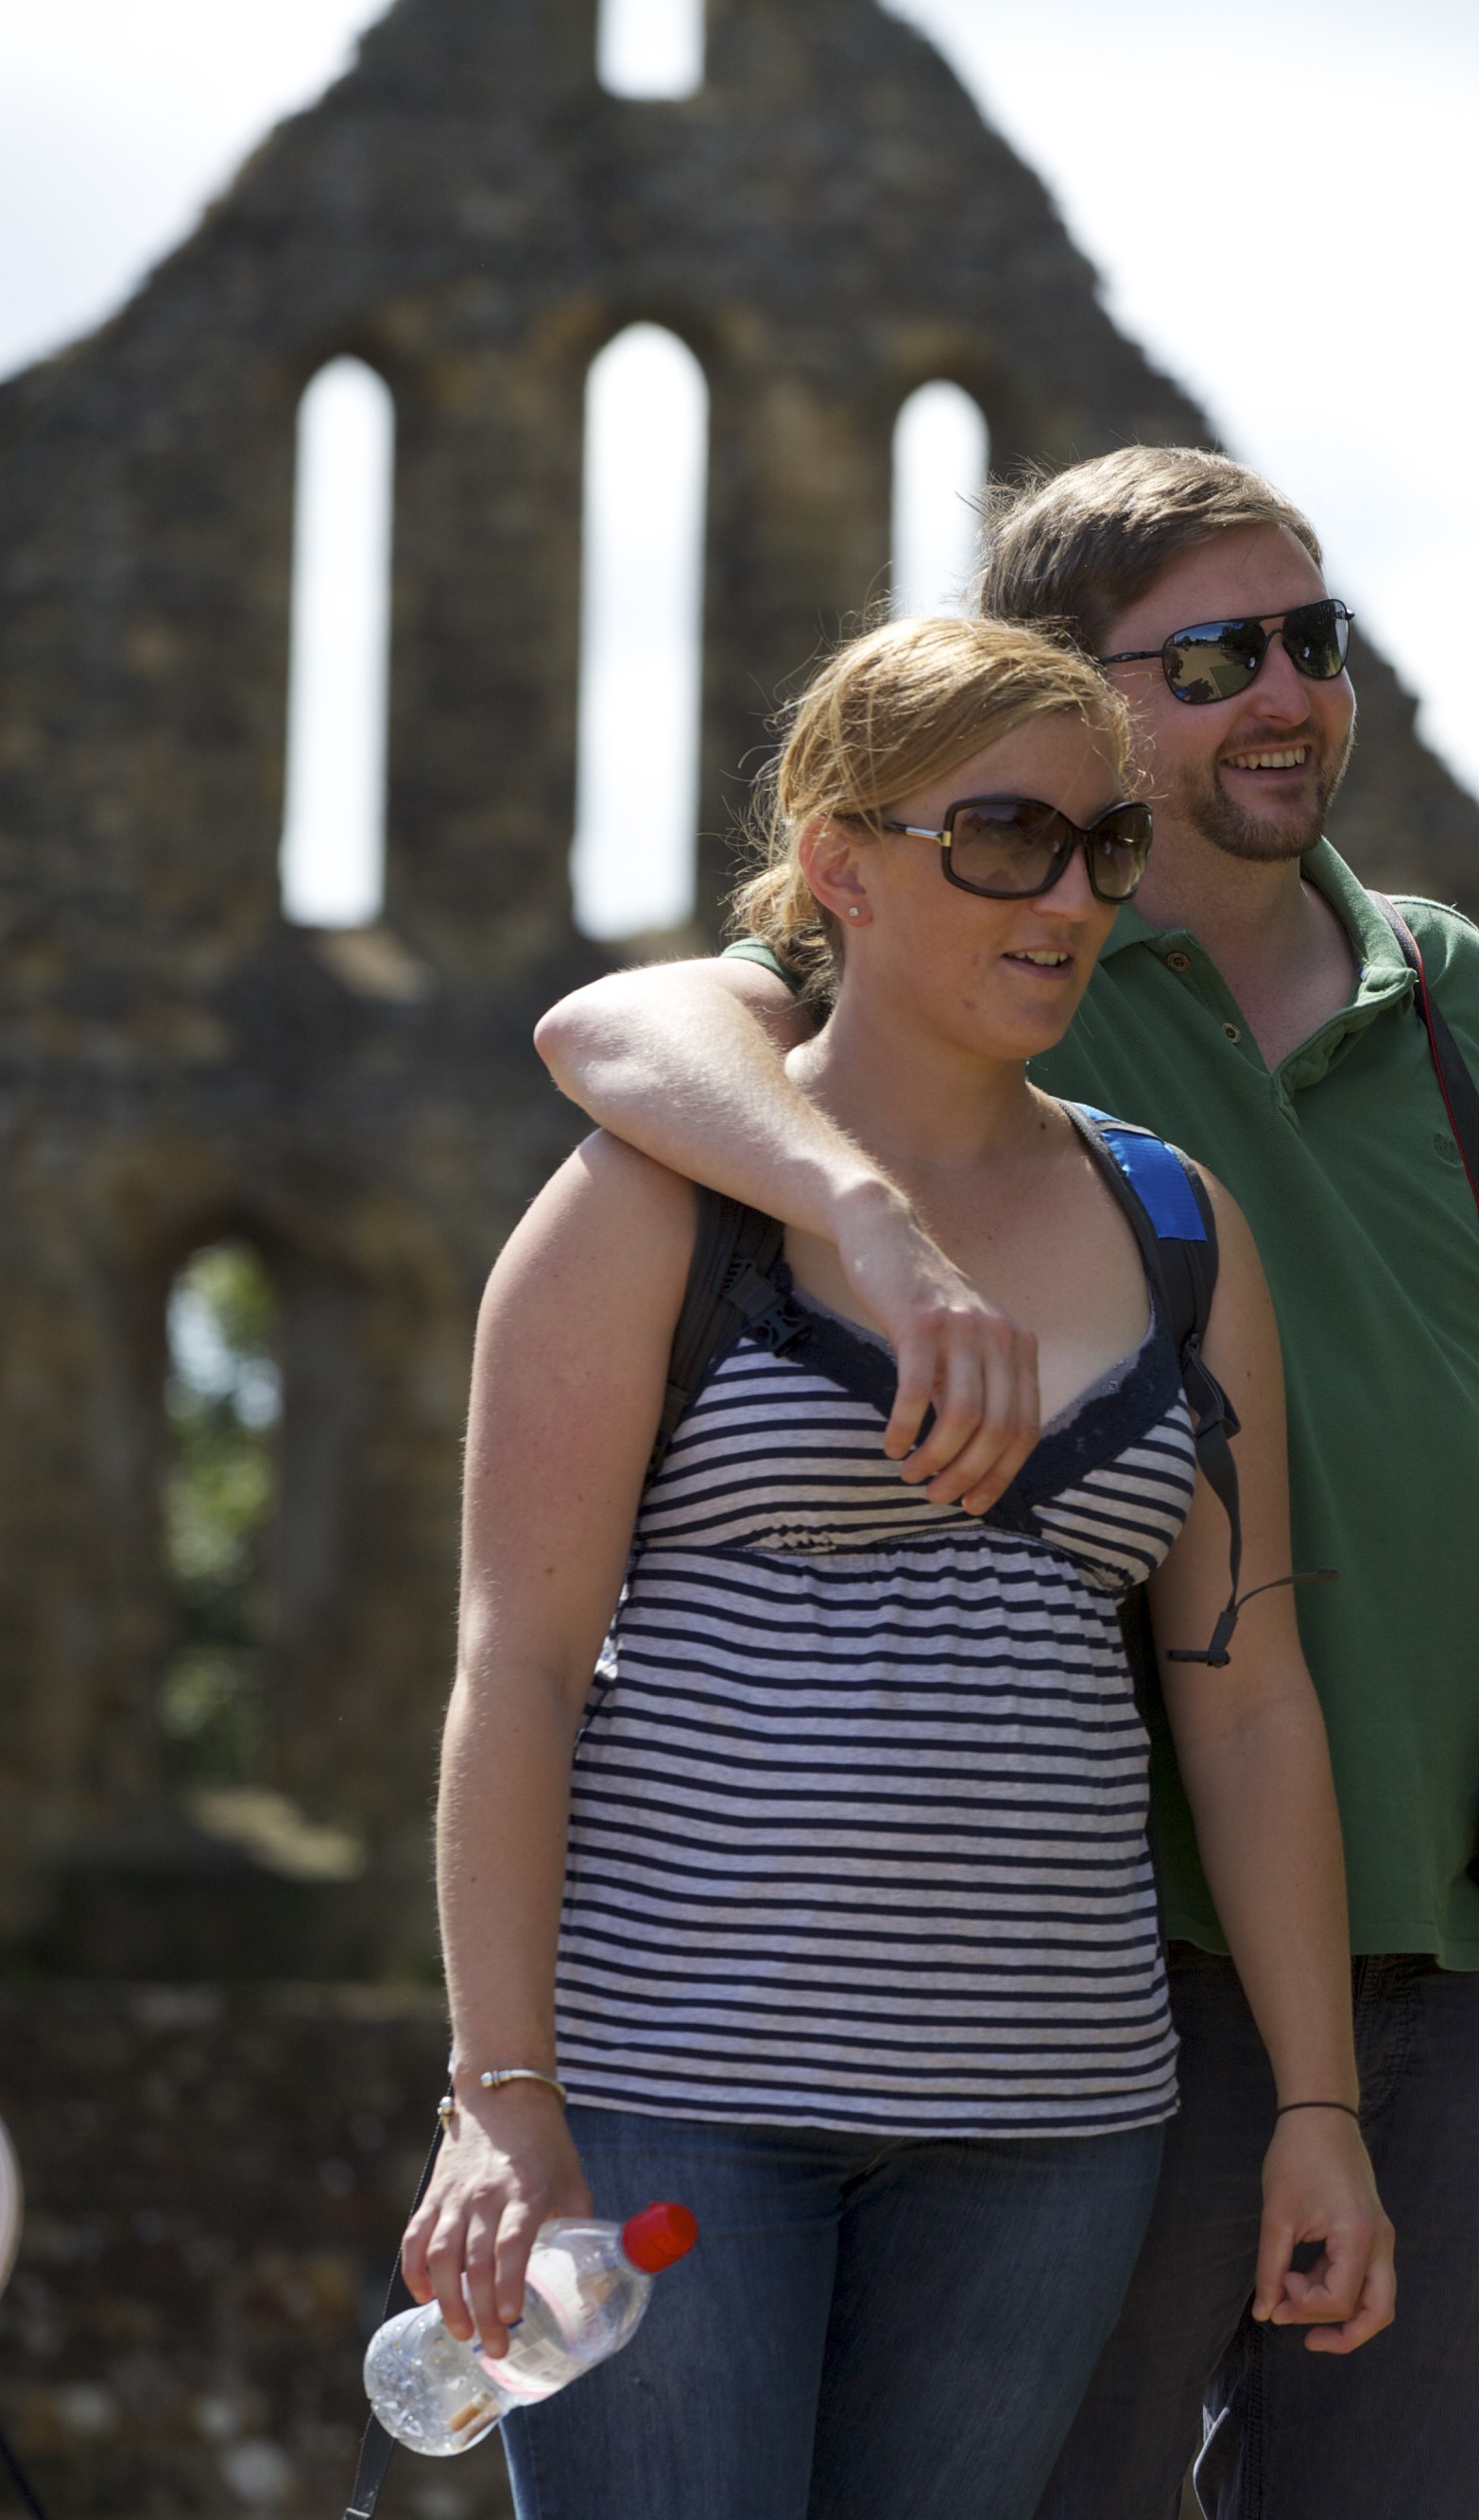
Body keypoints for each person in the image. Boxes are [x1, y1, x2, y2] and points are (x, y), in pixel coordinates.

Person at [529, 446, 1479, 2519]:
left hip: (1448, 1912)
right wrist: (860, 1210)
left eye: (1313, 640)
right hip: (1108, 1946)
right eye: (1215, 655)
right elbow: (630, 1024)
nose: (1287, 692)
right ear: (1058, 698)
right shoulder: (1006, 973)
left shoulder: (1456, 996)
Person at [403, 615, 1388, 2519]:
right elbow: (514, 1666)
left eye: (1105, 845)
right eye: (1005, 836)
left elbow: (1247, 1700)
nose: (1070, 895)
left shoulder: (1179, 1223)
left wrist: (1318, 2110)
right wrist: (501, 2094)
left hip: (1047, 2130)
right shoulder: (651, 1198)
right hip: (674, 2087)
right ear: (842, 866)